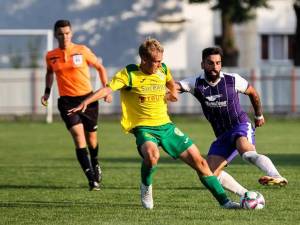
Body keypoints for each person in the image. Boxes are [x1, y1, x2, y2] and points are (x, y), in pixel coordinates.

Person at [68, 38, 240, 209]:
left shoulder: (163, 69)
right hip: (143, 127)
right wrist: (86, 102)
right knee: (152, 156)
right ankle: (146, 187)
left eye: (160, 61)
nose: (159, 65)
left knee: (201, 164)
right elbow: (107, 89)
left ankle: (225, 203)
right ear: (144, 60)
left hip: (166, 126)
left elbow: (172, 85)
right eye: (155, 62)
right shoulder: (129, 73)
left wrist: (172, 94)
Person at [175, 47, 288, 197]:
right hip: (222, 136)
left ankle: (276, 175)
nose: (215, 67)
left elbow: (253, 93)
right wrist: (160, 87)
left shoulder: (233, 79)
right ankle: (247, 195)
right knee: (208, 175)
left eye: (218, 63)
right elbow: (175, 86)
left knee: (247, 153)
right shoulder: (196, 83)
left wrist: (259, 115)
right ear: (203, 64)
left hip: (239, 125)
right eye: (210, 63)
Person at [41, 19, 112, 191]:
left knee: (91, 139)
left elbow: (100, 68)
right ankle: (91, 179)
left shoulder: (82, 50)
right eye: (60, 34)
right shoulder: (51, 55)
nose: (64, 36)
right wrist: (47, 92)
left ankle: (95, 163)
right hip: (67, 102)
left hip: (88, 100)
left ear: (71, 34)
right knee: (78, 137)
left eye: (67, 33)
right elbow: (50, 73)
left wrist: (106, 89)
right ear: (56, 35)